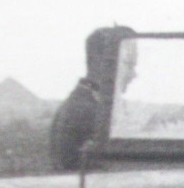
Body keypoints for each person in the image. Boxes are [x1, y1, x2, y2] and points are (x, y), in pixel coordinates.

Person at [50, 26, 135, 170]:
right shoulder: (82, 111)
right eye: (128, 65)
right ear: (100, 62)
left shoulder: (93, 104)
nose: (133, 74)